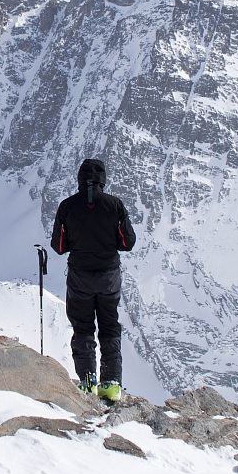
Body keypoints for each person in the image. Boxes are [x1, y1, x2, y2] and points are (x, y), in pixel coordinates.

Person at [50, 157, 136, 401]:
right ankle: (111, 383)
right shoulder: (114, 205)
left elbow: (58, 246)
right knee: (109, 326)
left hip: (80, 277)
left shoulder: (67, 206)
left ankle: (87, 380)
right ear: (103, 180)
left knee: (83, 328)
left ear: (79, 179)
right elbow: (128, 242)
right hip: (109, 277)